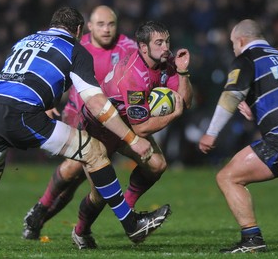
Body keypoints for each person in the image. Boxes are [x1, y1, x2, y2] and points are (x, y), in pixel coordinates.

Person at [0, 7, 172, 252]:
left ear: (51, 25)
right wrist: (131, 138)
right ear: (79, 30)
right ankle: (131, 224)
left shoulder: (26, 40)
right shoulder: (76, 49)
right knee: (95, 150)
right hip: (21, 113)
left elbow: (26, 77)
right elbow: (97, 103)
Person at [23, 20, 193, 249]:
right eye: (159, 43)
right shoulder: (134, 74)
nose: (166, 47)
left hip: (128, 122)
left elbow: (186, 102)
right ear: (143, 47)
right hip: (100, 125)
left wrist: (183, 72)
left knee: (157, 164)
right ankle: (76, 229)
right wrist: (173, 115)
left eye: (167, 41)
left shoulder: (165, 63)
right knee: (95, 190)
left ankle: (127, 211)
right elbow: (143, 128)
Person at [199, 19, 278, 253]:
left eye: (232, 44)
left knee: (228, 177)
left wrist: (211, 133)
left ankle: (252, 239)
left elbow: (231, 96)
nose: (233, 49)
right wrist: (257, 109)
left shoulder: (248, 58)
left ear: (240, 40)